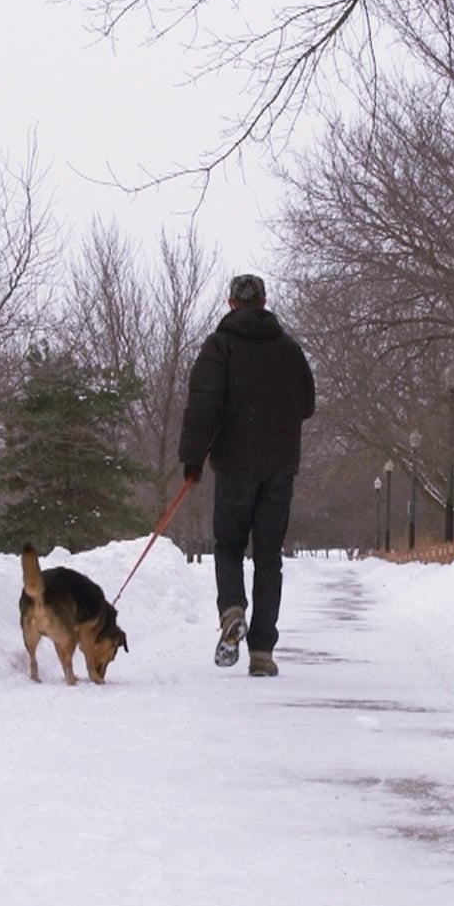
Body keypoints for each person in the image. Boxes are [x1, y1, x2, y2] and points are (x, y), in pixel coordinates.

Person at [178, 273, 316, 677]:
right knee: (269, 557)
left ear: (231, 303)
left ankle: (232, 610)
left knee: (229, 547)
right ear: (264, 301)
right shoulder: (289, 350)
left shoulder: (220, 347)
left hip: (235, 466)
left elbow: (203, 406)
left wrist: (192, 460)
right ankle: (262, 652)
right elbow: (308, 405)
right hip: (280, 467)